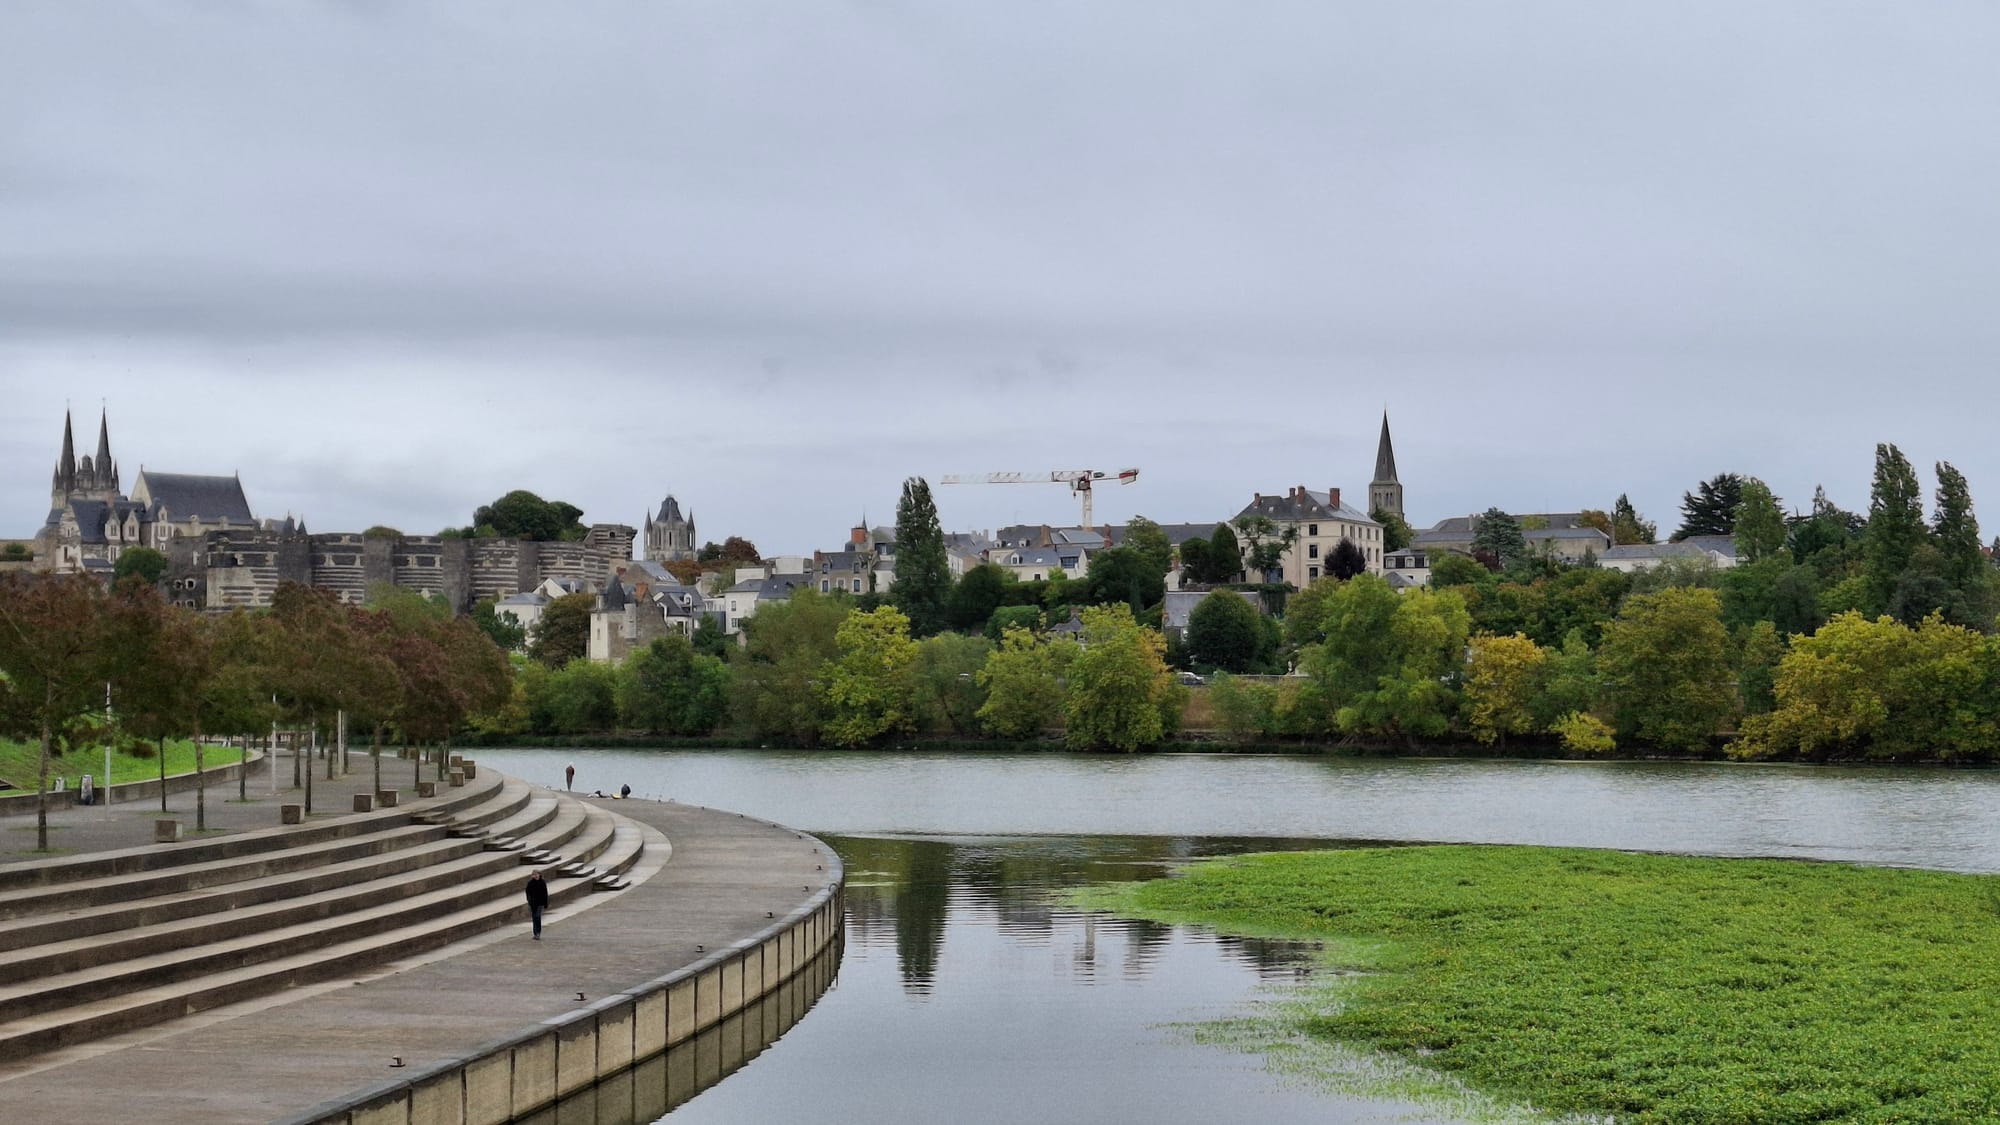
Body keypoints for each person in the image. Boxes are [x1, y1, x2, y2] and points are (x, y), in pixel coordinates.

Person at [525, 870, 549, 940]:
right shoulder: (530, 883)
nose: (535, 876)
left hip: (540, 903)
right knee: (534, 918)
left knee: (537, 917)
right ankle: (535, 933)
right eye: (534, 874)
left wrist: (545, 903)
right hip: (533, 903)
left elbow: (545, 893)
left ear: (539, 875)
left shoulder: (542, 882)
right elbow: (527, 892)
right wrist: (529, 900)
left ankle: (538, 933)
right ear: (532, 876)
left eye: (536, 874)